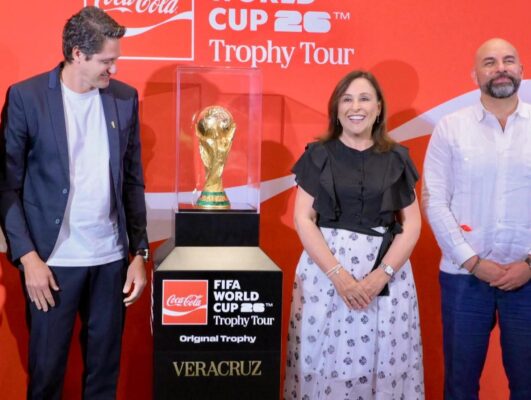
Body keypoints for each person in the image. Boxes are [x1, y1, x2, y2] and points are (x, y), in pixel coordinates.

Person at [0, 6, 149, 399]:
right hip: (51, 264)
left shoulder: (125, 98)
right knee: (46, 378)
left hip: (110, 263)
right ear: (77, 54)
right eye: (106, 61)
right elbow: (7, 186)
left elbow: (132, 182)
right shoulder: (26, 98)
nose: (114, 68)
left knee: (103, 380)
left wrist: (139, 253)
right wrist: (28, 258)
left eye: (115, 59)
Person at [284, 70, 424, 399]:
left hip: (387, 279)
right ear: (336, 109)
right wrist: (339, 276)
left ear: (378, 108)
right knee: (325, 364)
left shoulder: (397, 158)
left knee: (386, 364)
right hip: (325, 277)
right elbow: (304, 218)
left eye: (364, 98)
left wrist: (381, 275)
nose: (355, 107)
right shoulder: (317, 155)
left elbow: (412, 224)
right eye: (347, 99)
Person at [422, 38, 531, 400]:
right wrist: (472, 261)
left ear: (520, 70)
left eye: (508, 60)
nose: (500, 68)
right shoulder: (450, 128)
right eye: (489, 62)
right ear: (474, 75)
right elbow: (434, 200)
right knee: (460, 387)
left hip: (528, 278)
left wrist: (529, 265)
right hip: (464, 279)